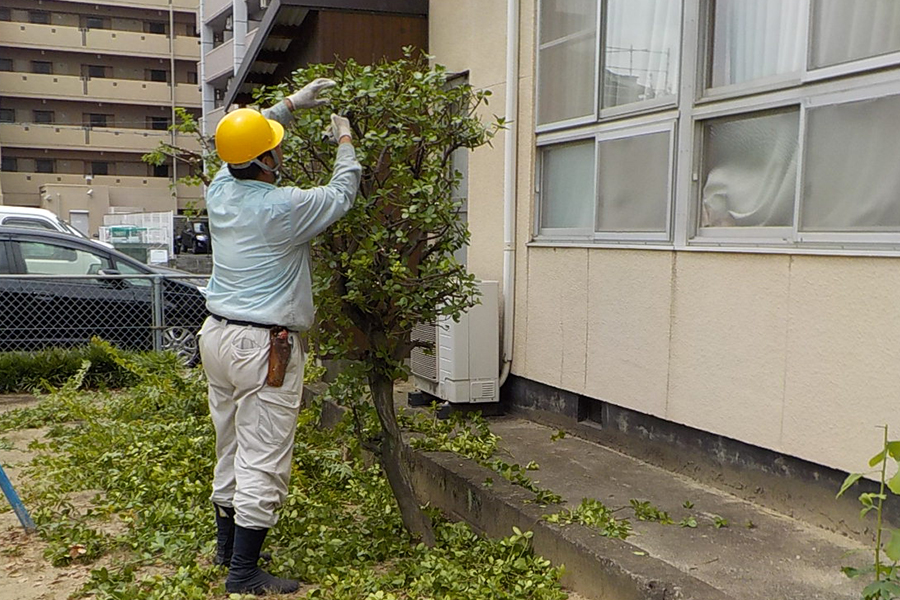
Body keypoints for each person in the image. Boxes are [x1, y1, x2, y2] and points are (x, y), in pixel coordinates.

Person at [198, 78, 361, 595]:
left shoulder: (220, 190)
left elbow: (237, 145)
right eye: (275, 149)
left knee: (229, 444)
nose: (279, 153)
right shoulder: (282, 208)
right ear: (265, 161)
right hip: (262, 347)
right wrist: (344, 140)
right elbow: (342, 193)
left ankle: (227, 552)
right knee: (262, 454)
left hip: (217, 338)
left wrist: (288, 107)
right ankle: (244, 575)